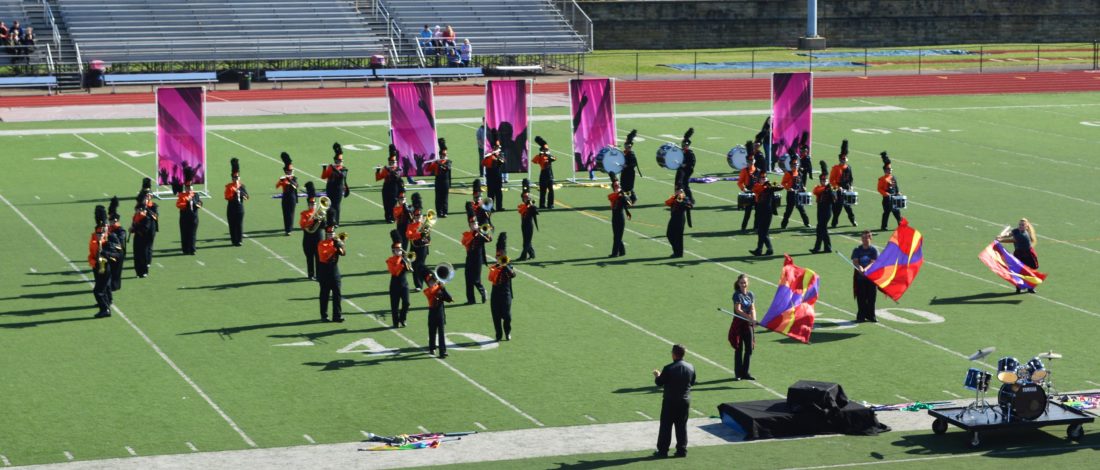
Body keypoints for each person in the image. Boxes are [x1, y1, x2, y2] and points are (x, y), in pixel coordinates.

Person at [652, 344, 696, 459]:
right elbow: (692, 382)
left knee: (666, 426)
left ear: (674, 354)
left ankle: (663, 451)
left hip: (670, 401)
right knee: (682, 426)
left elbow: (659, 383)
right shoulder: (691, 367)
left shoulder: (668, 368)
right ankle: (682, 450)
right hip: (685, 401)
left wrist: (657, 376)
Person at [90, 205, 122, 318]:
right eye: (98, 233)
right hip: (97, 265)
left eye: (101, 233)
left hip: (105, 266)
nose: (99, 235)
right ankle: (107, 302)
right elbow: (92, 251)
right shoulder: (95, 237)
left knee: (98, 290)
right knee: (105, 287)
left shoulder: (110, 238)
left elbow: (118, 253)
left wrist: (105, 253)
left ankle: (105, 309)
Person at [997, 218, 1039, 293]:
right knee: (1017, 271)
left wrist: (1000, 239)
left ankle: (1030, 288)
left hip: (1028, 254)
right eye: (1019, 224)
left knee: (1030, 271)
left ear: (1026, 227)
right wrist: (1002, 236)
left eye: (1022, 225)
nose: (1020, 226)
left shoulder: (1024, 235)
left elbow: (1012, 240)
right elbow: (1009, 234)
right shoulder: (1016, 230)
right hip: (1019, 253)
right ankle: (1018, 287)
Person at [489, 234, 516, 341]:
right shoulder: (493, 267)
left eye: (501, 257)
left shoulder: (509, 266)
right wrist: (499, 267)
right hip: (495, 294)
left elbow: (513, 275)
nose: (498, 259)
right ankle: (498, 335)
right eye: (497, 257)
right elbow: (491, 278)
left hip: (506, 294)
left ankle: (507, 332)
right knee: (496, 316)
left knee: (507, 316)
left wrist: (505, 266)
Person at [317, 221, 346, 323]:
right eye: (329, 234)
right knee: (324, 294)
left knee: (337, 293)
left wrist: (341, 245)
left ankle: (337, 316)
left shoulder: (336, 242)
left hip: (335, 270)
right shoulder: (321, 244)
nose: (331, 235)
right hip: (324, 271)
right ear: (326, 234)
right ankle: (324, 315)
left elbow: (343, 253)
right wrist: (335, 247)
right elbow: (326, 257)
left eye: (332, 234)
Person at [729, 274, 756, 380]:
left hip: (748, 324)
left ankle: (745, 372)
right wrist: (749, 317)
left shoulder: (750, 294)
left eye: (745, 282)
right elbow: (738, 310)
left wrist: (754, 319)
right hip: (739, 324)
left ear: (748, 283)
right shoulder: (737, 295)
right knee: (738, 349)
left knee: (749, 349)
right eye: (741, 283)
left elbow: (752, 308)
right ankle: (738, 373)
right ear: (738, 283)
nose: (743, 285)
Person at [130, 179, 158, 278]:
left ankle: (147, 264)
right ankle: (139, 270)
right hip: (140, 232)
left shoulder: (153, 206)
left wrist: (146, 211)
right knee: (139, 251)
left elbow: (155, 216)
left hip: (150, 229)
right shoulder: (140, 207)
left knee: (148, 248)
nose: (147, 198)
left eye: (148, 196)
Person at [299, 182, 325, 281]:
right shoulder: (304, 214)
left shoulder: (319, 213)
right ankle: (310, 274)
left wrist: (322, 219)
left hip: (318, 238)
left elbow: (324, 226)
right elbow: (303, 225)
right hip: (308, 238)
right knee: (309, 257)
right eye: (310, 204)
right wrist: (313, 220)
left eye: (313, 204)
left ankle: (319, 275)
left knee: (319, 257)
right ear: (308, 205)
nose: (312, 205)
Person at [749, 174, 781, 256]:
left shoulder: (769, 187)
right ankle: (763, 249)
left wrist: (773, 184)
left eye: (765, 178)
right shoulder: (757, 185)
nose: (764, 179)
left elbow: (781, 187)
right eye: (762, 178)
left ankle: (764, 249)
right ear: (759, 179)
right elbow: (757, 189)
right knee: (761, 231)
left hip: (767, 211)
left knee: (763, 231)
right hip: (760, 209)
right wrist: (765, 185)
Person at [424, 271, 454, 358]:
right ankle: (432, 348)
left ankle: (442, 351)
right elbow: (432, 292)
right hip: (432, 313)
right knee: (432, 331)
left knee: (441, 332)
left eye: (433, 281)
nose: (431, 283)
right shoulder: (427, 291)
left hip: (440, 313)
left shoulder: (440, 289)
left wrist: (444, 289)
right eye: (430, 281)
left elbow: (450, 299)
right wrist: (440, 286)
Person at [852, 230, 879, 323]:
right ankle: (861, 316)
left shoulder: (874, 250)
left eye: (867, 237)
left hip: (872, 278)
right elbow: (855, 261)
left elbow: (873, 262)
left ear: (870, 238)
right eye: (863, 238)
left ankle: (871, 316)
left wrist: (866, 269)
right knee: (861, 298)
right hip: (860, 278)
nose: (864, 240)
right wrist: (860, 268)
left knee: (872, 298)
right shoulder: (857, 250)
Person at [386, 231, 411, 328]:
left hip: (404, 284)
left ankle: (403, 318)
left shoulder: (404, 259)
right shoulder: (390, 261)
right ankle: (395, 322)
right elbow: (394, 272)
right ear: (393, 251)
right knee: (394, 306)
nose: (399, 251)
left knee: (407, 303)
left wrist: (407, 262)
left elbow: (409, 270)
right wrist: (401, 264)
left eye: (400, 249)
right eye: (397, 250)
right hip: (394, 285)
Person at [829, 140, 856, 228]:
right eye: (842, 159)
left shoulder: (849, 167)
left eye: (845, 159)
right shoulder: (836, 168)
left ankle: (853, 220)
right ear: (840, 159)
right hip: (839, 190)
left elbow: (851, 179)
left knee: (848, 207)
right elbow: (831, 180)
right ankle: (834, 223)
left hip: (846, 189)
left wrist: (851, 186)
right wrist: (837, 187)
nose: (844, 161)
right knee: (838, 208)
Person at [463, 218, 490, 304]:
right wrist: (474, 234)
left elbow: (489, 239)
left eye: (476, 223)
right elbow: (465, 242)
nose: (475, 225)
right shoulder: (467, 234)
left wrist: (481, 233)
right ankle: (471, 300)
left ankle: (483, 291)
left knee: (476, 279)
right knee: (468, 278)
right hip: (469, 258)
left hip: (478, 259)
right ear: (470, 225)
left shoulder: (480, 234)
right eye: (473, 224)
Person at [406, 195, 431, 291]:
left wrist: (424, 235)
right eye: (416, 216)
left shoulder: (425, 224)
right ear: (414, 216)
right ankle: (418, 285)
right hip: (414, 248)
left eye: (419, 216)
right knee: (414, 265)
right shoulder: (411, 225)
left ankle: (422, 283)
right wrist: (420, 234)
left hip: (423, 248)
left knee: (420, 265)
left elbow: (428, 237)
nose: (418, 218)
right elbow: (409, 235)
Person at [175, 167, 201, 255]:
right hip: (184, 218)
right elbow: (178, 205)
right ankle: (185, 249)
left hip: (194, 218)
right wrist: (186, 202)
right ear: (185, 187)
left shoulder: (196, 195)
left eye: (190, 187)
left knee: (192, 234)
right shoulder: (182, 195)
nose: (189, 188)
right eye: (187, 187)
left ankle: (192, 249)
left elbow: (199, 204)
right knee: (184, 234)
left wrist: (193, 201)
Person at [322, 143, 350, 226]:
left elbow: (342, 176)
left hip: (338, 189)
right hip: (330, 188)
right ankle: (329, 221)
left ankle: (336, 222)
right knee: (329, 205)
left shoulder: (344, 169)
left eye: (340, 161)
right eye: (337, 161)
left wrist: (334, 168)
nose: (339, 162)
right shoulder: (330, 167)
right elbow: (324, 176)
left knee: (336, 205)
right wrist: (324, 169)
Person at [224, 158, 249, 247]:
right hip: (231, 208)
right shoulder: (229, 186)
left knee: (239, 224)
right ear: (232, 178)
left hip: (239, 208)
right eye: (234, 177)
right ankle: (234, 240)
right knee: (232, 224)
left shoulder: (242, 186)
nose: (236, 179)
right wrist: (234, 193)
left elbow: (247, 197)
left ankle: (239, 240)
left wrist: (240, 193)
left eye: (237, 177)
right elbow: (227, 197)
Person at [809, 164, 834, 254]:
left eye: (825, 180)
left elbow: (834, 199)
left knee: (821, 228)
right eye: (822, 180)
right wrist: (826, 189)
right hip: (820, 210)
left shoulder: (830, 188)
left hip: (827, 211)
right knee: (821, 229)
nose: (824, 181)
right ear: (820, 181)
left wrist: (830, 190)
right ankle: (823, 247)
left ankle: (821, 247)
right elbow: (815, 191)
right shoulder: (819, 187)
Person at [376, 145, 402, 223]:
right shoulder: (385, 169)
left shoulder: (398, 169)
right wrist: (378, 171)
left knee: (393, 204)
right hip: (386, 188)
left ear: (396, 162)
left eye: (393, 162)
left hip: (394, 189)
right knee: (386, 204)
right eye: (391, 162)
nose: (392, 164)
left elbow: (397, 177)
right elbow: (379, 178)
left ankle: (393, 217)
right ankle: (387, 217)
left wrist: (390, 170)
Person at [780, 162, 810, 229]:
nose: (795, 166)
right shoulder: (788, 173)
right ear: (791, 166)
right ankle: (783, 225)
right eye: (794, 165)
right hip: (791, 194)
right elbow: (783, 183)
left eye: (796, 165)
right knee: (788, 210)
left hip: (799, 194)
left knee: (802, 209)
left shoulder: (799, 173)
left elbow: (800, 183)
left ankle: (807, 223)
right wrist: (788, 188)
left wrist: (803, 187)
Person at [877, 152, 901, 231]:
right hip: (887, 199)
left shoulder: (893, 177)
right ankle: (884, 226)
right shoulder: (882, 179)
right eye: (888, 169)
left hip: (894, 198)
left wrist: (898, 192)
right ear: (885, 170)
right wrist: (886, 194)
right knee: (886, 212)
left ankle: (900, 225)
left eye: (890, 169)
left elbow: (895, 186)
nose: (890, 170)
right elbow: (879, 189)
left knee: (897, 212)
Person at [427, 138, 451, 217]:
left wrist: (440, 164)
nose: (445, 156)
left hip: (445, 182)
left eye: (445, 154)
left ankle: (445, 212)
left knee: (445, 198)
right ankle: (439, 212)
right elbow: (428, 169)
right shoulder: (436, 162)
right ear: (440, 155)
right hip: (438, 181)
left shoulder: (448, 162)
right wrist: (431, 162)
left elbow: (447, 168)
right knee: (438, 198)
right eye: (443, 155)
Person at [106, 197, 126, 292]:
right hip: (112, 251)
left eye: (111, 221)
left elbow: (120, 243)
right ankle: (112, 285)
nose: (109, 223)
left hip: (118, 252)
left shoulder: (120, 230)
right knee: (111, 270)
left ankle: (115, 286)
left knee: (116, 270)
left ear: (115, 221)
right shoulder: (111, 228)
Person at [665, 187, 692, 258]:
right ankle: (677, 251)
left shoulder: (684, 198)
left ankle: (678, 253)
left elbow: (689, 205)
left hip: (679, 219)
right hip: (673, 218)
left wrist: (684, 201)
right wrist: (676, 198)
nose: (676, 191)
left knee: (678, 236)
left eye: (679, 190)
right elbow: (667, 203)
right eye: (676, 190)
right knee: (669, 234)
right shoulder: (675, 197)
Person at [608, 179, 632, 258]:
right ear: (613, 187)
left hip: (620, 218)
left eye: (618, 185)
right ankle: (622, 251)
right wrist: (620, 194)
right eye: (616, 185)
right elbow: (612, 198)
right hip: (614, 218)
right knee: (616, 235)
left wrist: (625, 196)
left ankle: (615, 253)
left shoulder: (622, 195)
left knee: (617, 237)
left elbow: (629, 203)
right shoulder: (614, 195)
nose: (618, 186)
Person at [276, 152, 298, 236]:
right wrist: (281, 181)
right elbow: (277, 186)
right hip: (285, 197)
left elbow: (296, 186)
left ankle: (289, 229)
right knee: (285, 213)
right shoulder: (283, 179)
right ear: (286, 171)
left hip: (292, 197)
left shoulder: (294, 178)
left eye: (291, 171)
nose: (290, 172)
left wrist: (289, 180)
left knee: (291, 213)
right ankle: (286, 229)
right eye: (289, 171)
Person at [516, 180, 539, 261]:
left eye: (527, 198)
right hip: (523, 225)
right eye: (524, 198)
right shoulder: (523, 206)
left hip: (529, 226)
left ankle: (523, 256)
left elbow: (536, 212)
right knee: (527, 241)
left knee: (526, 242)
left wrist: (531, 205)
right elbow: (521, 211)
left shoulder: (531, 206)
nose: (526, 199)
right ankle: (532, 254)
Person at [531, 136, 556, 209]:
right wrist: (540, 155)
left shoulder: (549, 156)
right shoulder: (540, 156)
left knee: (551, 190)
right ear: (542, 150)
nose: (547, 150)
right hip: (544, 174)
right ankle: (542, 205)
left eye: (547, 149)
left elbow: (554, 158)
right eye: (546, 149)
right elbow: (534, 161)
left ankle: (550, 204)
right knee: (543, 190)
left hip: (550, 174)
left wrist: (548, 155)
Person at [482, 136, 505, 213]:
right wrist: (491, 156)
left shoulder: (499, 154)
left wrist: (496, 157)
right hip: (491, 176)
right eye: (497, 147)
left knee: (499, 192)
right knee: (491, 193)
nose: (499, 149)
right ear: (494, 147)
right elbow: (484, 163)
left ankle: (499, 207)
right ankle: (490, 207)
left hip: (498, 176)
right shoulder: (488, 156)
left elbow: (502, 161)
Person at [738, 143, 757, 232]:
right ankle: (743, 227)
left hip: (757, 193)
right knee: (747, 212)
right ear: (747, 161)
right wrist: (743, 189)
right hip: (748, 192)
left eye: (752, 161)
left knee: (758, 212)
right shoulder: (744, 171)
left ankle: (756, 227)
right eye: (749, 161)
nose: (750, 162)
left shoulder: (758, 170)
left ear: (754, 161)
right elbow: (740, 182)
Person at [621, 130, 641, 204]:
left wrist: (627, 165)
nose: (625, 146)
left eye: (626, 145)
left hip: (629, 172)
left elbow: (634, 164)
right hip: (625, 171)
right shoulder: (625, 153)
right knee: (624, 185)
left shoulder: (631, 154)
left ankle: (633, 198)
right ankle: (627, 199)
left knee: (628, 187)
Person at [677, 128, 696, 203]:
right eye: (683, 144)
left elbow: (692, 163)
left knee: (684, 184)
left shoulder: (690, 153)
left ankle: (690, 199)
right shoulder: (681, 151)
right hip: (681, 169)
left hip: (688, 170)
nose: (683, 146)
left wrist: (685, 165)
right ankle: (680, 198)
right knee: (679, 184)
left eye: (684, 145)